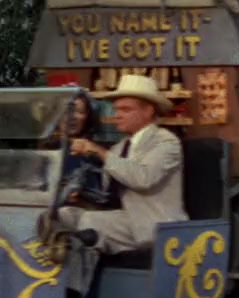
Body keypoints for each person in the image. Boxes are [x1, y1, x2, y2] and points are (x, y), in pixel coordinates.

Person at [57, 75, 187, 254]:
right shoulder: (120, 147)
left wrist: (100, 152)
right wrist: (79, 194)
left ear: (148, 111)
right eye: (116, 109)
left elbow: (143, 178)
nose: (117, 115)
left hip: (154, 225)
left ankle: (78, 267)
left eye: (126, 109)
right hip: (125, 221)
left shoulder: (165, 141)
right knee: (63, 215)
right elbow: (107, 193)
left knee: (91, 222)